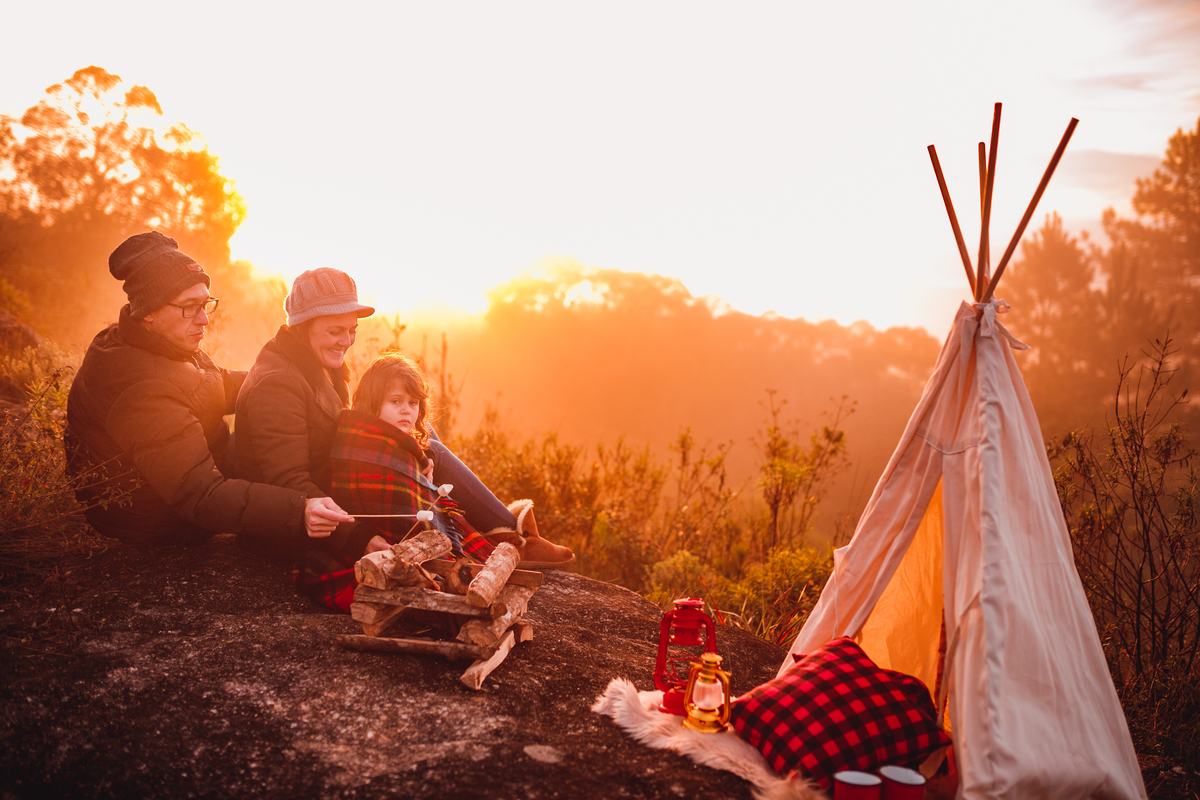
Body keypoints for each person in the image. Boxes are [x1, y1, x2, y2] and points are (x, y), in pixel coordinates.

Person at [235, 268, 574, 568]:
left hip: (332, 476)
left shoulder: (317, 362)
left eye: (351, 330)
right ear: (302, 326)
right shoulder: (278, 384)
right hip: (299, 524)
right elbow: (291, 486)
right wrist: (358, 537)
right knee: (427, 448)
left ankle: (503, 530)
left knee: (418, 431)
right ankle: (513, 536)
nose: (346, 341)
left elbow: (337, 426)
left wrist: (411, 457)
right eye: (335, 331)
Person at [65, 232, 353, 548]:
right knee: (291, 454)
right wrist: (299, 509)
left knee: (290, 426)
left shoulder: (154, 341)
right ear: (148, 310)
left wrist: (284, 382)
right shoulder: (142, 391)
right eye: (190, 307)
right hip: (163, 519)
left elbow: (209, 385)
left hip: (194, 477)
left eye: (205, 304)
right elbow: (200, 495)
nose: (204, 319)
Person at [301, 353, 500, 610]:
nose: (407, 410)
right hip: (376, 547)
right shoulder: (363, 445)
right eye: (396, 401)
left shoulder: (404, 445)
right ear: (373, 403)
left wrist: (423, 462)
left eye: (413, 403)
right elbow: (391, 507)